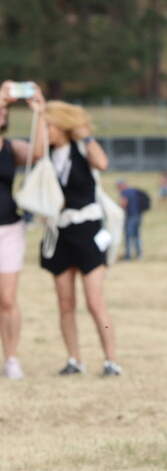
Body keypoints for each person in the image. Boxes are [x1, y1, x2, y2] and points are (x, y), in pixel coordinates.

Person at [41, 101, 121, 376]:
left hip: (87, 230)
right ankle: (74, 359)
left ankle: (111, 359)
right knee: (65, 303)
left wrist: (85, 134)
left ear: (61, 126)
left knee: (95, 302)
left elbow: (102, 162)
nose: (45, 131)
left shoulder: (82, 149)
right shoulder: (46, 155)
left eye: (48, 125)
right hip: (59, 232)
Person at [0, 80, 46, 379]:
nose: (3, 111)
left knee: (7, 299)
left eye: (4, 109)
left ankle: (11, 358)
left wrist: (39, 112)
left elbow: (39, 151)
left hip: (8, 228)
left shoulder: (10, 147)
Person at [116, 180, 150, 262]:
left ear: (121, 185)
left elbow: (124, 203)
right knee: (137, 235)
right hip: (138, 215)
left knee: (128, 236)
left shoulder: (125, 192)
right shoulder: (134, 191)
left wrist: (118, 210)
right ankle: (139, 254)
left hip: (130, 216)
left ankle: (128, 256)